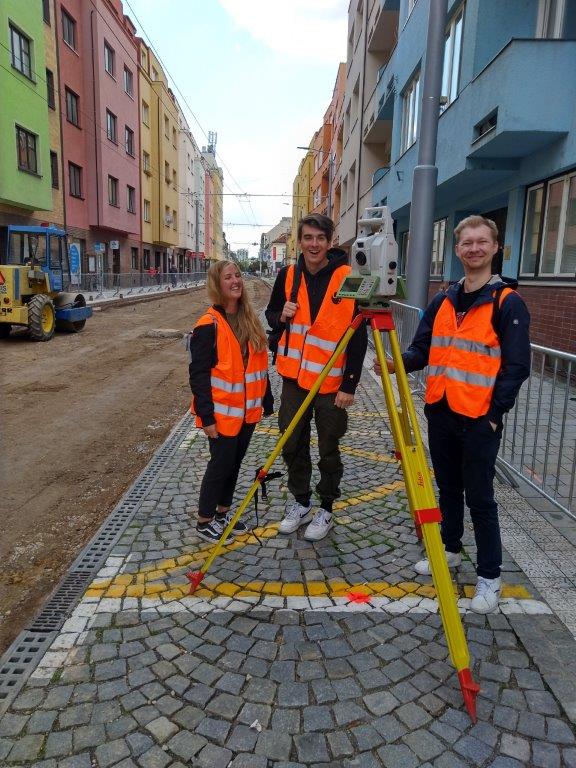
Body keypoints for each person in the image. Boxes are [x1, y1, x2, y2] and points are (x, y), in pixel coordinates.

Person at [378, 215, 530, 613]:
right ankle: (449, 549)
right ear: (457, 249)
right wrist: (397, 364)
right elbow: (422, 348)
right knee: (447, 488)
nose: (474, 249)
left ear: (495, 247)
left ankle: (489, 577)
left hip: (480, 418)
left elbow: (517, 367)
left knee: (480, 498)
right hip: (441, 409)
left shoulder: (507, 303)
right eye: (467, 243)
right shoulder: (444, 299)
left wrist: (496, 414)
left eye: (482, 242)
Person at [266, 213, 368, 542]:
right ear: (301, 240)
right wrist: (279, 314)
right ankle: (301, 502)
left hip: (331, 382)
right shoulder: (287, 275)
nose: (314, 244)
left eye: (320, 238)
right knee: (292, 441)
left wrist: (350, 384)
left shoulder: (349, 277)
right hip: (294, 378)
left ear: (330, 241)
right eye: (308, 237)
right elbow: (272, 314)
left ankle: (326, 507)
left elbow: (359, 334)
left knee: (328, 447)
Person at [189, 260, 273, 542]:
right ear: (217, 284)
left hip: (247, 411)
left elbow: (259, 364)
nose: (235, 281)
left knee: (234, 464)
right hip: (222, 414)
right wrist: (207, 417)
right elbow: (198, 375)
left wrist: (267, 397)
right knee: (219, 465)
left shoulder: (249, 318)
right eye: (228, 277)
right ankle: (204, 520)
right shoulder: (207, 325)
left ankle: (224, 515)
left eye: (237, 275)